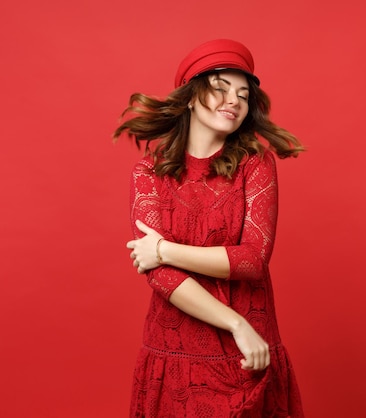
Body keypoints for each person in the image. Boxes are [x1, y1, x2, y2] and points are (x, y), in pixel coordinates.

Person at [114, 39, 305, 417]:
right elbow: (161, 279)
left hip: (246, 358)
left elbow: (251, 260)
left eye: (243, 94)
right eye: (220, 88)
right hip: (178, 360)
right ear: (189, 97)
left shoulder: (256, 164)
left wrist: (163, 250)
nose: (233, 100)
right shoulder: (148, 174)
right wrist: (236, 324)